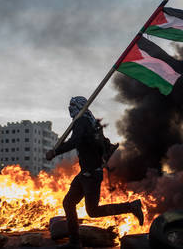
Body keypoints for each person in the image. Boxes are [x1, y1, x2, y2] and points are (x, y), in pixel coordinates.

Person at [46, 96, 144, 249]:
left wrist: (55, 152)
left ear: (79, 107)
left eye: (72, 106)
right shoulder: (91, 123)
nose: (69, 109)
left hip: (91, 175)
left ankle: (131, 207)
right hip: (86, 173)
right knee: (68, 203)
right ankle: (74, 242)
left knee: (92, 211)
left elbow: (75, 141)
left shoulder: (81, 122)